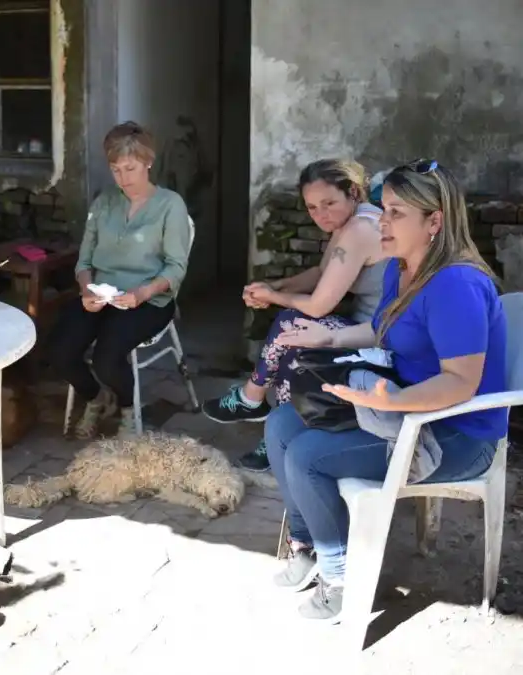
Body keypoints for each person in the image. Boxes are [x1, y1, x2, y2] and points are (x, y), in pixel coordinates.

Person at [266, 160, 505, 622]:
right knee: (280, 424)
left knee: (308, 455)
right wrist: (327, 337)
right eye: (383, 208)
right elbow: (382, 331)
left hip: (456, 434)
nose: (381, 220)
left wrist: (390, 402)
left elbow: (461, 382)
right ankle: (311, 546)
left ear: (434, 221)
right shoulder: (402, 268)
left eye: (395, 212)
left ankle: (341, 577)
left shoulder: (456, 284)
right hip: (402, 404)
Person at [202, 159, 388, 471]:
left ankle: (252, 398)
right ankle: (278, 436)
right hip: (360, 325)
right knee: (292, 351)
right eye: (313, 208)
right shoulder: (349, 221)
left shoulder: (360, 229)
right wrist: (273, 285)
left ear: (354, 192)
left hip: (378, 336)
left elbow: (318, 307)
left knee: (293, 321)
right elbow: (320, 272)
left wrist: (273, 296)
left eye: (329, 203)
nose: (321, 215)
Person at [50, 121, 192, 439]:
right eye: (115, 170)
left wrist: (142, 293)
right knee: (59, 352)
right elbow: (84, 262)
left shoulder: (170, 205)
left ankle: (128, 409)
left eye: (130, 168)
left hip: (150, 299)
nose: (122, 179)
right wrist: (86, 290)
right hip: (102, 295)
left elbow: (175, 268)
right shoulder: (104, 203)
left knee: (107, 358)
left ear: (148, 162)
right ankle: (97, 398)